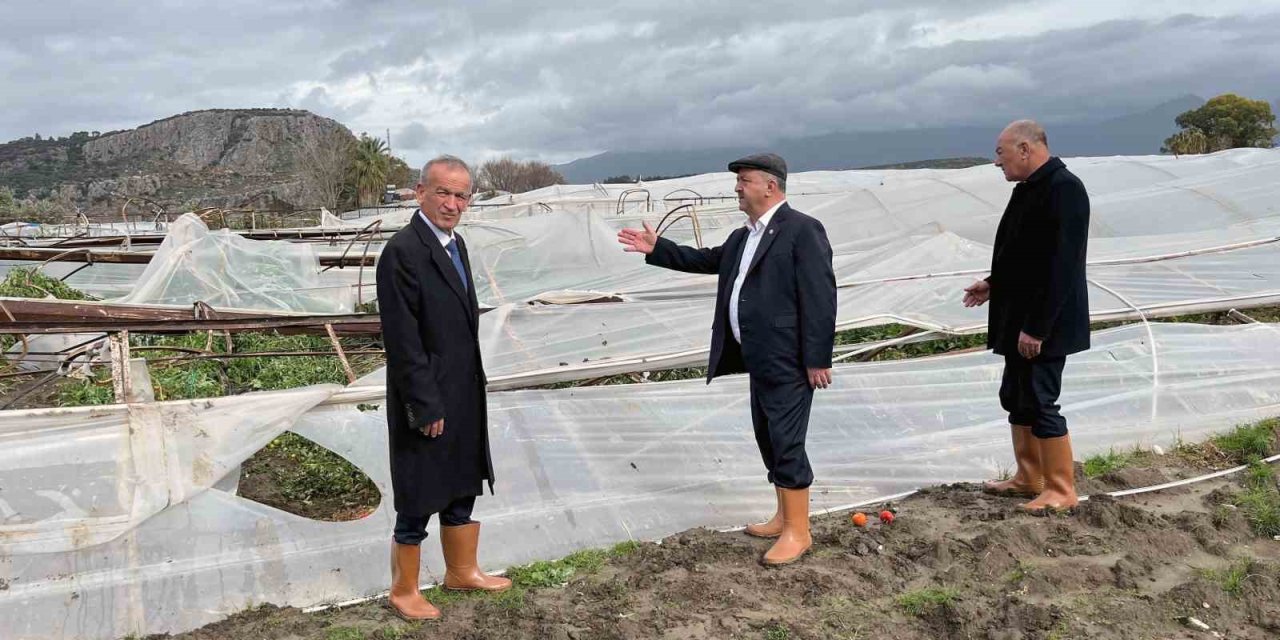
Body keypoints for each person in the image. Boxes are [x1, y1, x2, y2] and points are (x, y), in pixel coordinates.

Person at [617, 153, 836, 565]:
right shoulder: (743, 236)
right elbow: (707, 260)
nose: (737, 187)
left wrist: (817, 357)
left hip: (789, 359)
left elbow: (821, 296)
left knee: (787, 442)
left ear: (770, 186)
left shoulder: (802, 230)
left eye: (744, 180)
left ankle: (798, 532)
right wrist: (657, 248)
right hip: (758, 358)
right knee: (768, 436)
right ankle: (782, 516)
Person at [375, 155, 510, 621]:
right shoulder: (403, 251)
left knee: (461, 479)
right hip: (428, 392)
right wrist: (424, 402)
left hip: (463, 387)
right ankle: (404, 589)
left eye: (461, 195)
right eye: (443, 193)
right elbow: (403, 338)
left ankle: (462, 569)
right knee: (419, 489)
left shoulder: (458, 245)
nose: (452, 204)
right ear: (420, 193)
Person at [963, 120, 1090, 513]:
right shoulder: (1028, 190)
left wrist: (1037, 327)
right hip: (1019, 317)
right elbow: (1022, 255)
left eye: (1000, 153)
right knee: (1016, 397)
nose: (996, 161)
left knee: (1040, 399)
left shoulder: (1064, 190)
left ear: (1025, 149)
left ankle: (1061, 489)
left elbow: (1061, 267)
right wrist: (993, 283)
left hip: (1044, 323)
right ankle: (1028, 477)